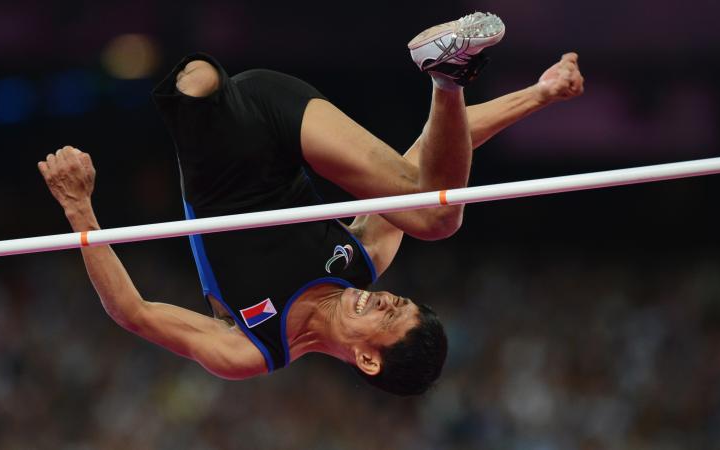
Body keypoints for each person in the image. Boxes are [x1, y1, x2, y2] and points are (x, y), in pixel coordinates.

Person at [38, 12, 584, 396]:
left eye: (388, 314)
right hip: (282, 114)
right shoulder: (363, 259)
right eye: (396, 299)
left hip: (216, 144)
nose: (382, 297)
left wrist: (79, 210)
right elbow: (433, 158)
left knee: (198, 79)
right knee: (436, 211)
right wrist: (540, 94)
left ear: (369, 359)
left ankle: (446, 76)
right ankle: (448, 74)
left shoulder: (253, 351)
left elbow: (133, 314)